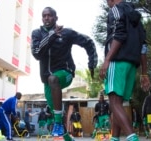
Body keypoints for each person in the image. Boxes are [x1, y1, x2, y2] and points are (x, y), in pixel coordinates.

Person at [31, 7, 98, 140]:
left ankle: (57, 125)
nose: (46, 18)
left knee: (54, 78)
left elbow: (88, 42)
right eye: (44, 16)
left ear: (56, 18)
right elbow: (37, 53)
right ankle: (67, 137)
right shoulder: (37, 34)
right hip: (47, 80)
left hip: (65, 72)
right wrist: (52, 36)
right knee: (57, 112)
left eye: (50, 15)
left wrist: (92, 64)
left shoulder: (67, 33)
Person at [99, 0, 151, 141]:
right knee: (118, 104)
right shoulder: (136, 16)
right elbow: (143, 46)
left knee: (114, 103)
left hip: (118, 60)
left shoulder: (115, 9)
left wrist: (108, 59)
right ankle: (114, 138)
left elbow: (119, 34)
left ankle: (132, 137)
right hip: (132, 65)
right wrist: (144, 73)